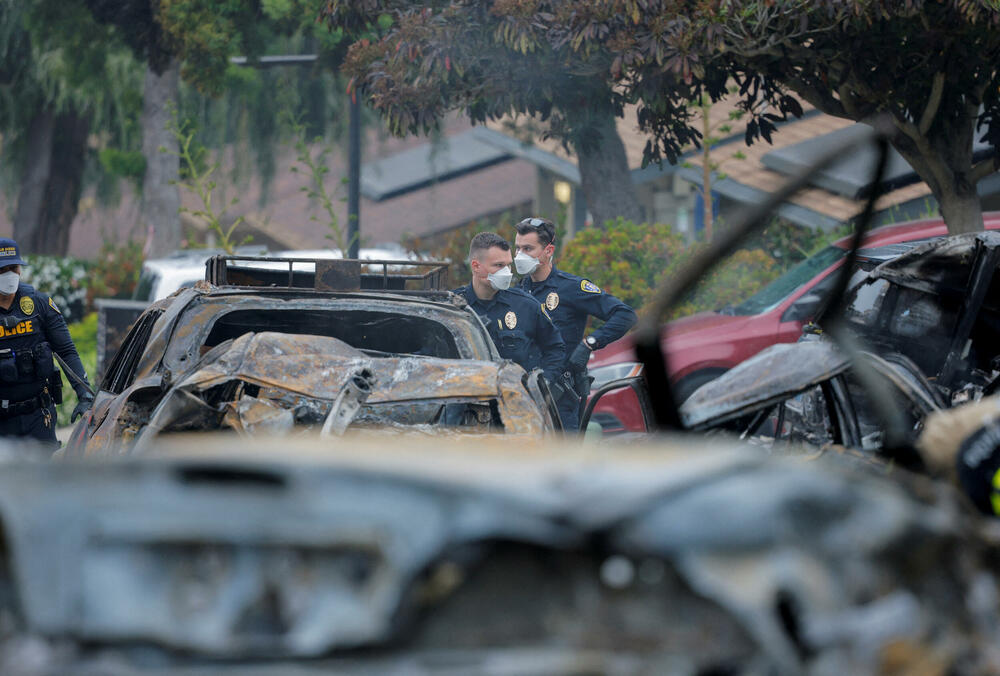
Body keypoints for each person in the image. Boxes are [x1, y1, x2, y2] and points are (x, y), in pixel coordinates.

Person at [514, 217, 638, 431]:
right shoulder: (517, 292)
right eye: (517, 248)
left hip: (560, 400)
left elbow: (625, 315)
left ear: (548, 250)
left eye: (528, 249)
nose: (519, 255)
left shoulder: (571, 287)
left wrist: (590, 343)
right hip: (523, 398)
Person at [0, 238, 93, 448]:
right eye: (2, 270)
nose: (9, 275)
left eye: (13, 268)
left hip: (38, 417)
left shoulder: (39, 304)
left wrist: (85, 395)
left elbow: (66, 351)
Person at [455, 231, 565, 395]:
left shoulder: (525, 305)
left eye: (508, 265)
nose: (506, 272)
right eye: (499, 266)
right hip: (464, 401)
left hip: (516, 402)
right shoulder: (452, 307)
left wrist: (542, 384)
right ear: (476, 266)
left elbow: (555, 348)